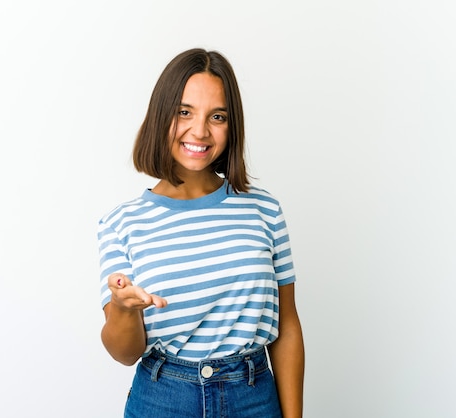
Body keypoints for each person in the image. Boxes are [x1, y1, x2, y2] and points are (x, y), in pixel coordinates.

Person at [97, 48, 305, 417]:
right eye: (184, 112)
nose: (200, 131)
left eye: (217, 116)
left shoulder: (264, 209)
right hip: (163, 400)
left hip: (253, 399)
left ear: (232, 125)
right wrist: (123, 309)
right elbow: (124, 353)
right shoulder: (121, 223)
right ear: (162, 115)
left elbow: (287, 326)